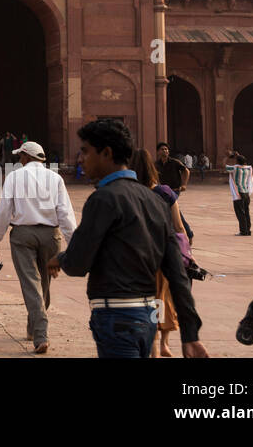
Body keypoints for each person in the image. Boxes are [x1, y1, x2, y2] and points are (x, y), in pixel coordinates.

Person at [51, 118, 207, 359]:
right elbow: (177, 274)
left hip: (116, 316)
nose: (81, 159)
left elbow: (78, 264)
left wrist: (60, 259)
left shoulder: (104, 199)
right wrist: (190, 335)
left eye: (85, 151)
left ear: (106, 153)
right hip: (148, 316)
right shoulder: (155, 200)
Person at [0, 141, 77, 354]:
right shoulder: (55, 178)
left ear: (26, 157)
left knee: (31, 283)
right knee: (43, 284)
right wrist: (73, 244)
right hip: (51, 235)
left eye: (20, 156)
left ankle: (40, 334)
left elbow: (4, 212)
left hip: (23, 235)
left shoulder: (15, 177)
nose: (19, 160)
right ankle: (33, 327)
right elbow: (65, 213)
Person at [130, 148, 183, 357]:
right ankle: (164, 344)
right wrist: (187, 252)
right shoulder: (165, 192)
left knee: (145, 301)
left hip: (136, 256)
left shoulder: (127, 192)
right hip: (163, 254)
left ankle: (153, 345)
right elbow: (178, 227)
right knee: (163, 298)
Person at [226, 151, 253, 235]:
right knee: (246, 212)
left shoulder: (235, 168)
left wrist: (229, 157)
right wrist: (238, 157)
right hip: (246, 192)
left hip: (238, 193)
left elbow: (225, 165)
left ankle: (243, 231)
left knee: (240, 213)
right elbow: (243, 163)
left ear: (237, 162)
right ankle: (247, 230)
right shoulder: (249, 168)